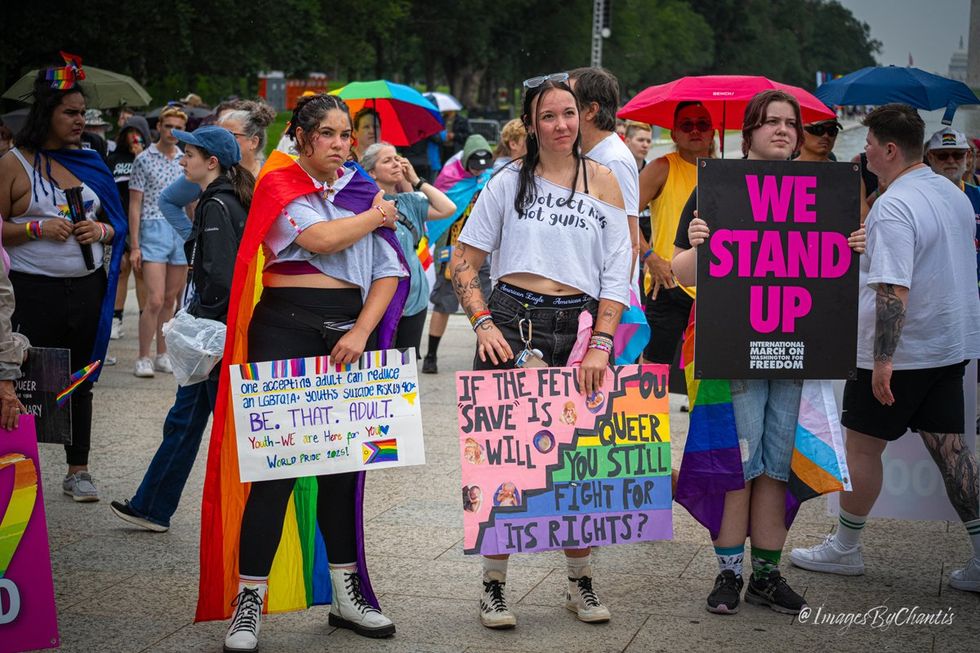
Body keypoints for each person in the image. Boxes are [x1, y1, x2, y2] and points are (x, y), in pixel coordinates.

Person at [198, 94, 408, 651]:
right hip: (283, 332)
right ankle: (249, 605)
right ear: (303, 135)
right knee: (276, 474)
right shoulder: (280, 183)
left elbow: (389, 271)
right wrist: (377, 216)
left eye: (348, 136)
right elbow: (317, 240)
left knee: (344, 471)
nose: (343, 145)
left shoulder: (360, 189)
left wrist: (361, 332)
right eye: (331, 135)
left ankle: (346, 597)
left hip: (347, 337)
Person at [671, 90, 865, 616]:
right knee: (738, 465)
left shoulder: (825, 192)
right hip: (735, 353)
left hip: (800, 357)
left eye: (791, 124)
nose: (783, 130)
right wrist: (697, 245)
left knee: (778, 468)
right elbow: (678, 273)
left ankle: (766, 575)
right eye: (771, 122)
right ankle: (729, 574)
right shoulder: (717, 188)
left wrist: (854, 249)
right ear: (749, 131)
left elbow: (842, 277)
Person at [451, 74, 631, 629]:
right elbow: (463, 262)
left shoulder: (604, 181)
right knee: (504, 460)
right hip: (512, 323)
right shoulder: (506, 181)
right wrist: (481, 322)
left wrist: (601, 343)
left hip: (577, 330)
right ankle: (494, 588)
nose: (561, 125)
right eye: (548, 115)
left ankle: (579, 581)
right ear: (531, 124)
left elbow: (616, 271)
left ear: (584, 117)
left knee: (577, 462)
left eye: (569, 113)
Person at [789, 106, 980, 593]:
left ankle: (845, 548)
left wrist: (882, 360)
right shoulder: (950, 194)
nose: (863, 150)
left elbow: (894, 289)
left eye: (870, 143)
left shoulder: (894, 206)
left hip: (901, 354)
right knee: (953, 451)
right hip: (948, 347)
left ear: (890, 150)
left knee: (861, 446)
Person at [110, 127, 253, 532]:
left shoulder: (216, 204)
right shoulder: (227, 197)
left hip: (214, 337)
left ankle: (157, 507)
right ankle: (152, 506)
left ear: (211, 162)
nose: (181, 160)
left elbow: (220, 278)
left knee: (196, 422)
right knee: (186, 420)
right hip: (221, 334)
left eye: (188, 154)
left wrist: (200, 324)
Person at [0, 65, 127, 501]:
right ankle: (17, 466)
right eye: (70, 112)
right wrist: (35, 230)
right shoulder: (12, 164)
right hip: (29, 289)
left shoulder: (91, 161)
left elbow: (115, 223)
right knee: (22, 377)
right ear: (46, 115)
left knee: (81, 375)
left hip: (85, 286)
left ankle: (78, 469)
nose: (80, 121)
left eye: (82, 112)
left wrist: (101, 232)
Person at [361, 142, 456, 355]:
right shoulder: (363, 205)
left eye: (397, 158)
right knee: (379, 362)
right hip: (380, 299)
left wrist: (415, 180)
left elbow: (448, 208)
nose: (396, 163)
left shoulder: (409, 201)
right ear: (372, 173)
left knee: (407, 364)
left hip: (415, 297)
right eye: (387, 160)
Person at [636, 102, 712, 368]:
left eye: (702, 124)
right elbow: (623, 217)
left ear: (713, 132)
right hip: (666, 280)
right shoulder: (661, 167)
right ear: (674, 134)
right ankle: (644, 411)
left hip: (712, 284)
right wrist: (650, 257)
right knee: (655, 363)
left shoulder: (723, 173)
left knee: (710, 368)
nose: (695, 131)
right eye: (686, 125)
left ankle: (702, 412)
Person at [421, 134, 494, 374]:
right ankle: (431, 355)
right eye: (473, 166)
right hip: (452, 250)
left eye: (482, 168)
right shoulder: (450, 179)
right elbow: (440, 215)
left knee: (485, 305)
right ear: (465, 161)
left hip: (482, 254)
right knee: (444, 304)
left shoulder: (490, 180)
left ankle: (487, 356)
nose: (477, 172)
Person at [129, 105, 188, 378]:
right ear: (159, 127)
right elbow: (135, 204)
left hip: (179, 230)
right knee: (153, 299)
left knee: (169, 300)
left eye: (179, 127)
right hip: (152, 229)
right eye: (168, 126)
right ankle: (143, 356)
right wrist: (136, 245)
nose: (173, 132)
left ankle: (163, 353)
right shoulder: (144, 159)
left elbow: (192, 201)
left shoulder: (185, 159)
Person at [569, 68, 640, 273]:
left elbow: (629, 242)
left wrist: (612, 301)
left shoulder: (614, 160)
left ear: (591, 110)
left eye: (569, 102)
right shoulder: (585, 151)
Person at [107, 115, 151, 339]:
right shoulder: (113, 158)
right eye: (129, 131)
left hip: (144, 223)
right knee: (121, 270)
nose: (133, 136)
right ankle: (116, 319)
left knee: (141, 271)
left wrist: (140, 157)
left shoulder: (148, 158)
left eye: (137, 132)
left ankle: (146, 319)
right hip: (119, 220)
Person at [797, 119, 869, 221]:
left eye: (832, 131)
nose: (826, 136)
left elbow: (863, 216)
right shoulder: (780, 172)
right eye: (818, 129)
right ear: (800, 131)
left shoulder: (849, 176)